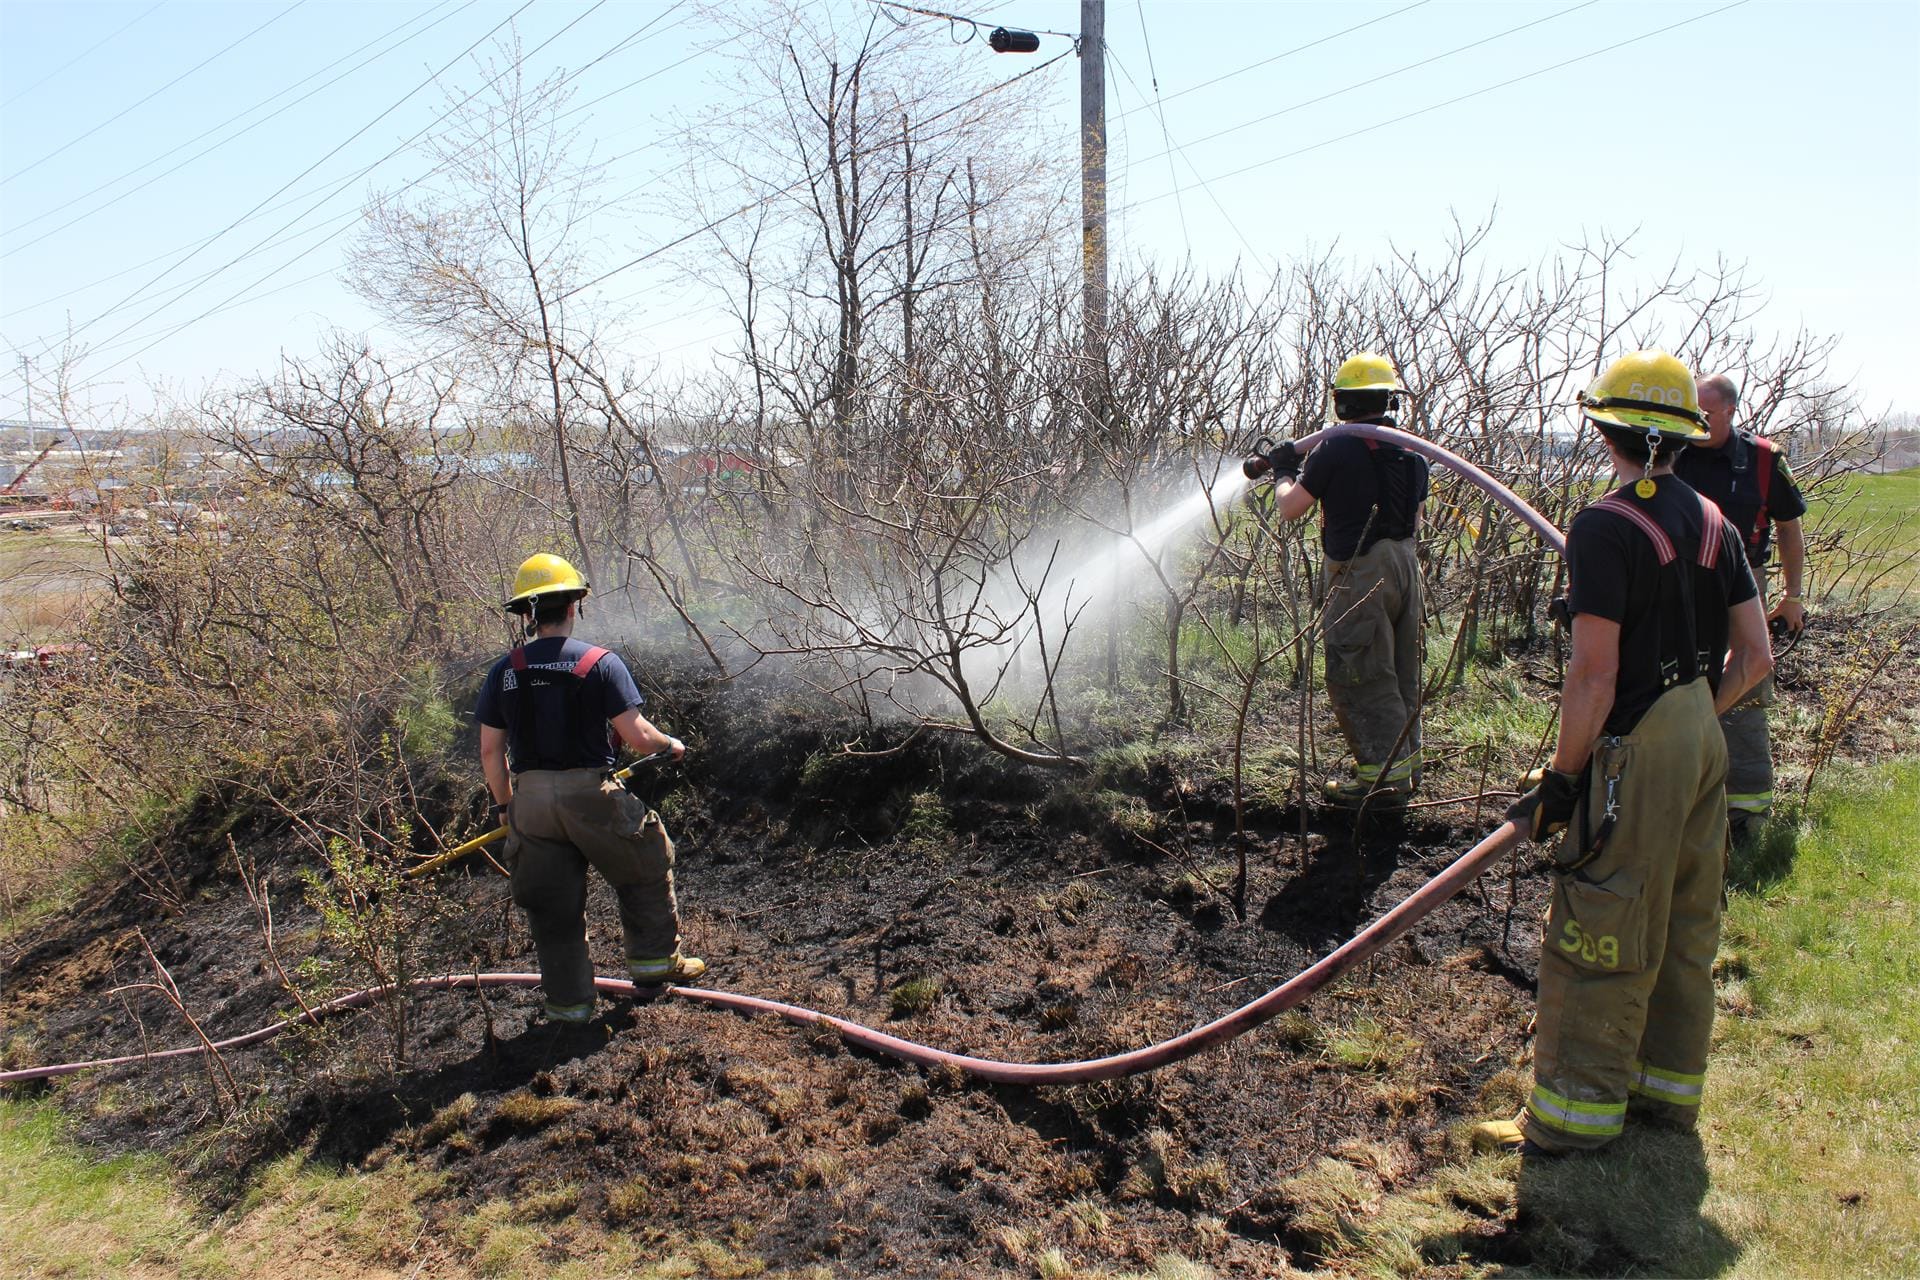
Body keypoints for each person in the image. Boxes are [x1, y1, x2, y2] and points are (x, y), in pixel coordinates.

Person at [1476, 350, 1772, 1156]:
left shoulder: (1604, 526)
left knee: (1598, 924)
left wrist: (1566, 778)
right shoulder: (1716, 520)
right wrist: (1688, 718)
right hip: (1703, 741)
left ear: (1606, 428)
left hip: (1636, 746)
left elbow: (1594, 678)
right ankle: (1665, 1100)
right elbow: (1756, 659)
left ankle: (1572, 1119)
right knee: (1683, 921)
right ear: (1681, 436)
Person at [475, 553, 705, 1026]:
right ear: (575, 606)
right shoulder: (600, 663)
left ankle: (570, 1006)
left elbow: (489, 753)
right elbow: (639, 737)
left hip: (531, 802)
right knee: (645, 860)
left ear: (526, 614)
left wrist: (505, 809)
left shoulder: (504, 671)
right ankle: (655, 963)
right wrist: (672, 744)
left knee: (551, 906)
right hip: (589, 793)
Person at [1258, 352, 1430, 808]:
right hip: (1405, 566)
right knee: (1400, 668)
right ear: (1388, 400)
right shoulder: (1411, 449)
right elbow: (1414, 515)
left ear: (1341, 402)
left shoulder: (1337, 448)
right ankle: (1404, 765)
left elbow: (1292, 507)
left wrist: (1283, 472)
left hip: (1360, 572)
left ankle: (1381, 782)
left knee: (1360, 670)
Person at [1671, 373, 1808, 845]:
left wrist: (1793, 595)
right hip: (1679, 587)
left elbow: (1789, 528)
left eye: (1705, 413)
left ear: (1730, 410)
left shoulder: (1764, 461)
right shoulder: (1671, 453)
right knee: (1671, 685)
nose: (1697, 422)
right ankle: (1679, 798)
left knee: (1746, 688)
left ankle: (1746, 816)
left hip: (1741, 587)